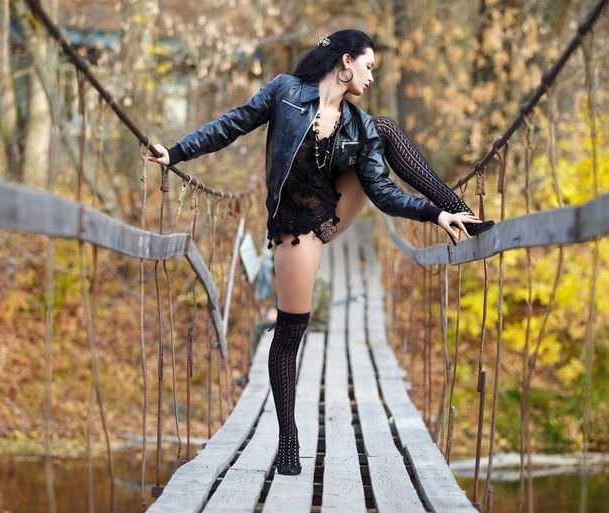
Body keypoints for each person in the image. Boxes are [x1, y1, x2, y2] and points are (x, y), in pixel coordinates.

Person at [149, 29, 493, 476]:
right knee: (290, 331)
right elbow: (231, 125)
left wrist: (433, 214)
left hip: (337, 209)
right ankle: (288, 439)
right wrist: (176, 152)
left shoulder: (359, 125)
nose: (371, 77)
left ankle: (458, 212)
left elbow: (383, 192)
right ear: (346, 62)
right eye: (369, 67)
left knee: (383, 127)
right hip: (297, 225)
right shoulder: (284, 92)